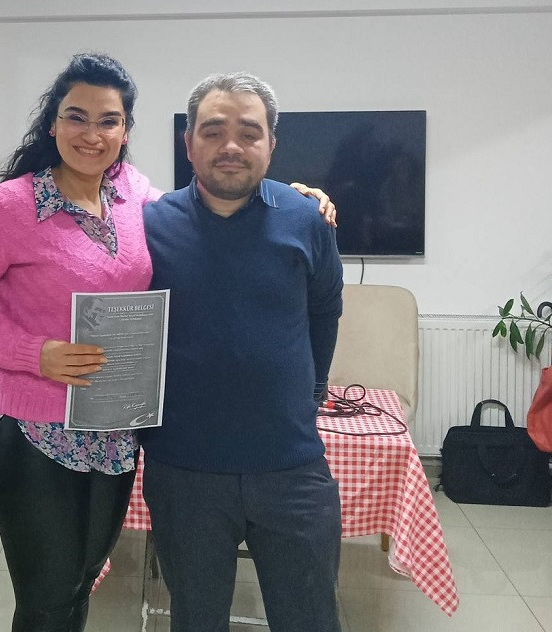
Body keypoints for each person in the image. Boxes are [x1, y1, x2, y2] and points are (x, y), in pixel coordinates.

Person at [0, 53, 336, 632]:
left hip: (115, 428)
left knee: (80, 584)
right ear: (52, 123)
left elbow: (215, 206)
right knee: (46, 599)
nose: (92, 134)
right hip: (36, 431)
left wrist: (295, 199)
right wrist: (34, 354)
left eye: (109, 120)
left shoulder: (132, 197)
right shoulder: (7, 207)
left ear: (125, 131)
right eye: (76, 117)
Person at [139, 72, 345, 632]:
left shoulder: (307, 219)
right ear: (189, 144)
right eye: (213, 131)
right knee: (196, 620)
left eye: (249, 133)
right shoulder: (149, 226)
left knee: (310, 619)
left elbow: (325, 311)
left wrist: (310, 393)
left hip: (291, 468)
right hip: (183, 472)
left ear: (271, 143)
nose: (231, 145)